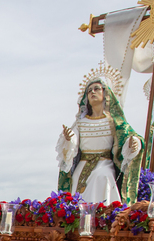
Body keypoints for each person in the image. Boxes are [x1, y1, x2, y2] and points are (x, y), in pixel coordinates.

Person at [56, 66, 143, 202]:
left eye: (97, 89)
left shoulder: (113, 121)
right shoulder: (81, 122)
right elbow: (74, 139)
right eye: (89, 90)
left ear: (105, 94)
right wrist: (68, 140)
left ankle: (103, 218)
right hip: (83, 165)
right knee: (76, 183)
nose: (93, 92)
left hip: (104, 163)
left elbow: (129, 136)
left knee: (103, 177)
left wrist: (132, 143)